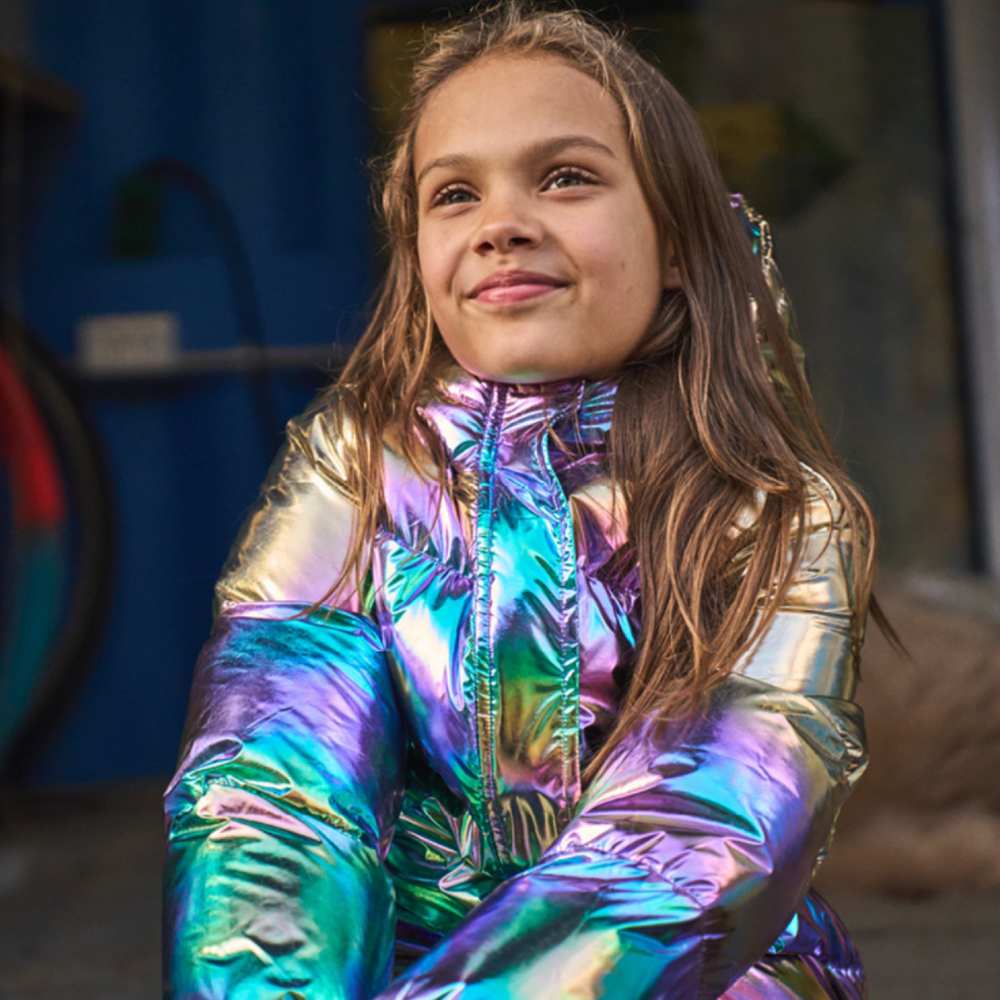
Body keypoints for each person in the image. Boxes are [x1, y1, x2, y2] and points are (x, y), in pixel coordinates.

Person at [162, 2, 895, 996]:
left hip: (683, 965)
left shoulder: (779, 514)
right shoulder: (358, 465)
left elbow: (701, 836)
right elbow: (273, 778)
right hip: (401, 958)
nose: (503, 224)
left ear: (678, 243)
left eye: (566, 177)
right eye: (453, 194)